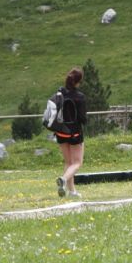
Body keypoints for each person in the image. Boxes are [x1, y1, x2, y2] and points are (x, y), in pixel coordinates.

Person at [53, 68, 88, 199]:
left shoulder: (60, 93)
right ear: (78, 82)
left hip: (61, 132)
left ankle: (71, 192)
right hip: (74, 133)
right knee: (77, 163)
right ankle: (63, 179)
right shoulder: (80, 97)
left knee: (68, 162)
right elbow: (83, 119)